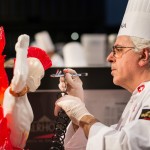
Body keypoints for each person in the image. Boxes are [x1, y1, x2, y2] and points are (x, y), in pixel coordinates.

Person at [54, 0, 150, 149]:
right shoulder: (140, 97)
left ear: (144, 56)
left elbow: (126, 145)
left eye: (118, 49)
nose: (109, 57)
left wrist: (83, 115)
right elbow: (99, 142)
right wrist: (76, 116)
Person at [2, 34, 52, 149]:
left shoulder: (22, 95)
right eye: (39, 77)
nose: (39, 82)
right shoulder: (14, 92)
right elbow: (20, 75)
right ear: (31, 77)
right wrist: (21, 50)